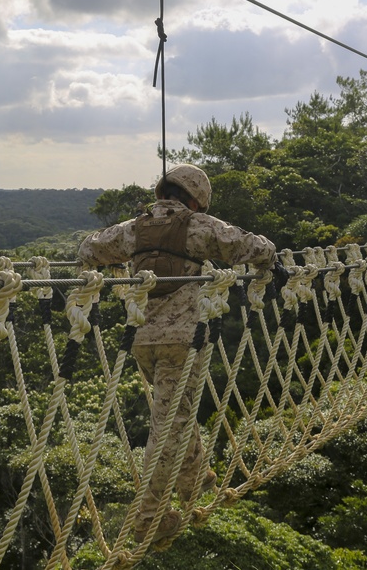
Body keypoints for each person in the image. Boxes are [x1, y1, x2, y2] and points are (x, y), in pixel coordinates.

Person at [78, 163, 276, 543]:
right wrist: (270, 258)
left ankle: (194, 478)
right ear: (196, 198)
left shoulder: (133, 229)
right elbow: (249, 247)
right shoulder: (199, 227)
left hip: (141, 342)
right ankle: (149, 517)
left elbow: (88, 249)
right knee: (167, 426)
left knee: (175, 410)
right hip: (183, 342)